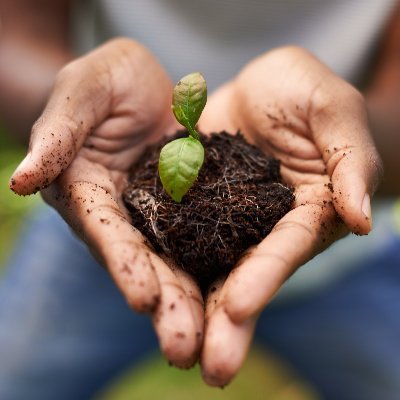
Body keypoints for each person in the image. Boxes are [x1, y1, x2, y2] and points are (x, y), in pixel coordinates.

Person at [0, 1, 399, 399]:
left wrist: (354, 139)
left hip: (345, 260)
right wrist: (64, 115)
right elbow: (14, 39)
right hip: (97, 219)